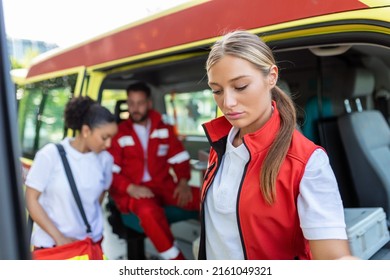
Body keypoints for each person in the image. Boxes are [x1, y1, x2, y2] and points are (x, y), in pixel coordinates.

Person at [198, 30, 357, 260]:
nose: (227, 103)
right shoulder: (220, 143)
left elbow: (332, 259)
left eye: (240, 86)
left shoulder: (308, 162)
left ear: (271, 76)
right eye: (217, 90)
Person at [108, 82, 200, 260]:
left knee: (206, 197)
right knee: (149, 212)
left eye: (140, 103)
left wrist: (183, 182)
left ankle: (216, 250)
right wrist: (130, 188)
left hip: (164, 186)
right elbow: (110, 172)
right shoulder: (119, 133)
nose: (135, 108)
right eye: (131, 103)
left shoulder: (163, 128)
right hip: (133, 192)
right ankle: (177, 261)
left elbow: (179, 158)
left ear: (149, 103)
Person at [25, 96, 118, 256]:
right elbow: (31, 199)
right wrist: (59, 237)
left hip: (90, 246)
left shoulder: (105, 160)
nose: (109, 144)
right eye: (104, 137)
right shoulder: (50, 155)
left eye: (112, 137)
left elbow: (99, 198)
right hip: (54, 248)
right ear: (86, 130)